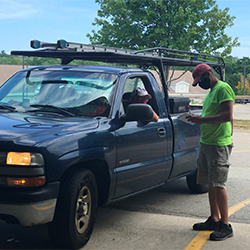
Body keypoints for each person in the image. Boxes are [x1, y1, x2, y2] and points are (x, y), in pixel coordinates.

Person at [188, 63, 235, 241]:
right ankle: (214, 219)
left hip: (218, 145)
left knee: (219, 184)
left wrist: (202, 120)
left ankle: (225, 224)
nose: (200, 84)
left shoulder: (223, 89)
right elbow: (212, 114)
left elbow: (227, 115)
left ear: (209, 74)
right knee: (210, 183)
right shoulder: (210, 92)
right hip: (206, 143)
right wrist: (196, 118)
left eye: (201, 80)